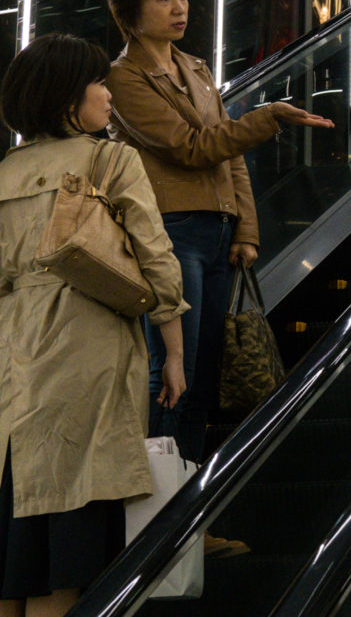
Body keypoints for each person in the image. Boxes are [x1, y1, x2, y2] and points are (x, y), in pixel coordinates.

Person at [102, 0, 333, 518]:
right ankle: (152, 524)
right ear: (132, 13)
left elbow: (229, 162)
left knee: (202, 380)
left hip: (214, 233)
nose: (180, 7)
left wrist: (246, 230)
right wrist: (269, 116)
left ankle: (187, 523)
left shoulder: (197, 69)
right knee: (171, 379)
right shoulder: (124, 78)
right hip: (169, 235)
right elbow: (192, 148)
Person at [0, 34, 188, 617]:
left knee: (15, 559)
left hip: (13, 362)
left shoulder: (5, 171)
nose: (109, 96)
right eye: (99, 84)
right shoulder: (110, 159)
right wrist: (175, 351)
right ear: (66, 99)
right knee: (68, 560)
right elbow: (155, 258)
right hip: (88, 353)